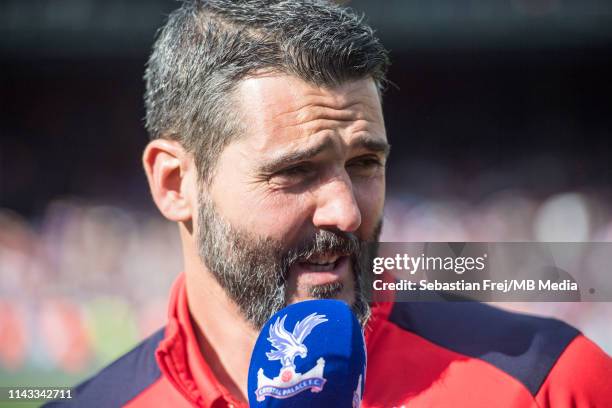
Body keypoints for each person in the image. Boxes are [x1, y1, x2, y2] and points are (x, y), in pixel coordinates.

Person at [49, 0, 612, 406]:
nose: (345, 211)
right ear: (174, 184)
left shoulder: (550, 381)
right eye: (295, 171)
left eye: (365, 164)